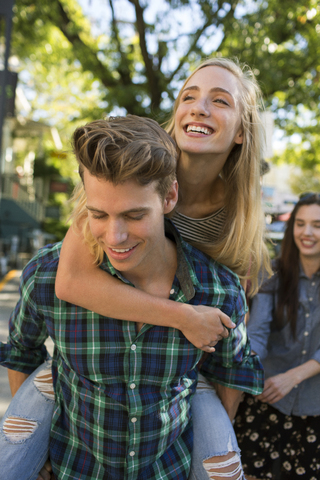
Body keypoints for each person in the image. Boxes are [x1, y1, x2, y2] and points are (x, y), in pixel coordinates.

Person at [0, 116, 263, 480]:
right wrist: (34, 444)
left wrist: (209, 450)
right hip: (73, 468)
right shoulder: (47, 275)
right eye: (98, 214)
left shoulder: (218, 291)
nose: (116, 236)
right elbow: (21, 352)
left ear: (169, 196)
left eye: (134, 214)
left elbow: (231, 373)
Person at [54, 57, 271, 479]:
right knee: (17, 442)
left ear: (242, 131)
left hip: (176, 370)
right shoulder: (133, 168)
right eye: (188, 96)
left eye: (219, 100)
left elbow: (229, 318)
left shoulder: (238, 212)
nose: (199, 107)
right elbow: (72, 280)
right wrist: (183, 316)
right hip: (97, 354)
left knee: (220, 461)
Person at [234, 192, 320, 480]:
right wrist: (248, 367)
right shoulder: (274, 274)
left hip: (314, 406)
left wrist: (293, 376)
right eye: (300, 223)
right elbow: (257, 332)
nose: (307, 232)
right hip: (268, 398)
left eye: (317, 225)